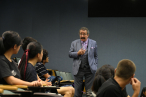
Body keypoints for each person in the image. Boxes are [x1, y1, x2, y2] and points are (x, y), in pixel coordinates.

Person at [69, 27, 98, 96]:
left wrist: (95, 65)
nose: (82, 36)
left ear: (88, 35)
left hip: (90, 69)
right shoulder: (74, 43)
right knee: (77, 91)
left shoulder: (93, 43)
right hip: (78, 69)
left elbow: (95, 56)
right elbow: (70, 54)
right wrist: (78, 53)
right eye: (81, 34)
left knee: (89, 91)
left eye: (84, 34)